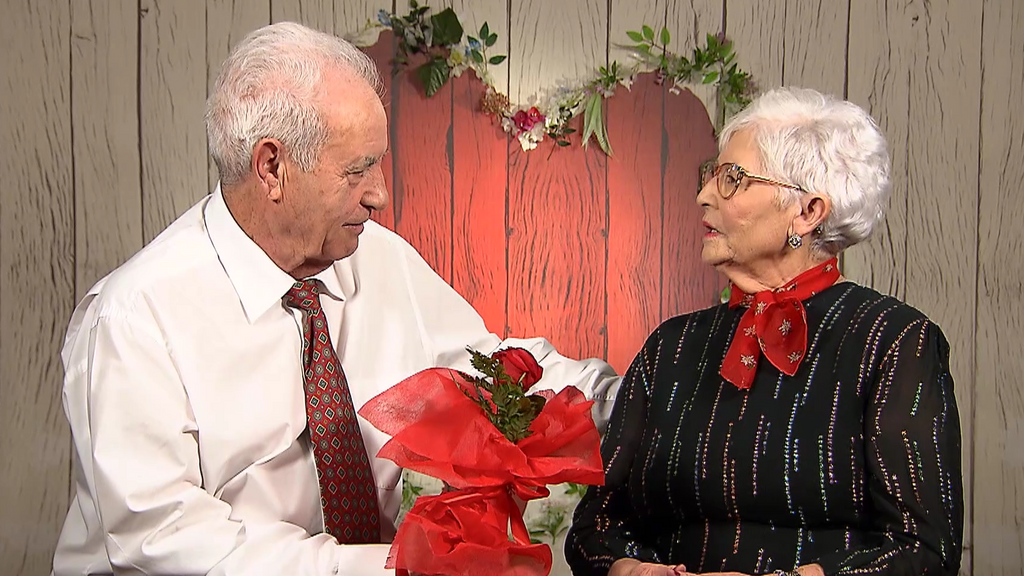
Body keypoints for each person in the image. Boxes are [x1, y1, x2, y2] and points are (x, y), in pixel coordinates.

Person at [52, 22, 619, 576]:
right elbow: (162, 538)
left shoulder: (378, 257)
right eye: (357, 170)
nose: (380, 193)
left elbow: (492, 370)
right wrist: (393, 565)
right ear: (271, 168)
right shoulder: (133, 318)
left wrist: (629, 399)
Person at [565, 87, 963, 576]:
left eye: (732, 179)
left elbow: (923, 549)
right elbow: (592, 530)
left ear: (807, 212)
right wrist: (634, 570)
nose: (703, 195)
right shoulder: (669, 346)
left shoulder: (893, 340)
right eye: (710, 175)